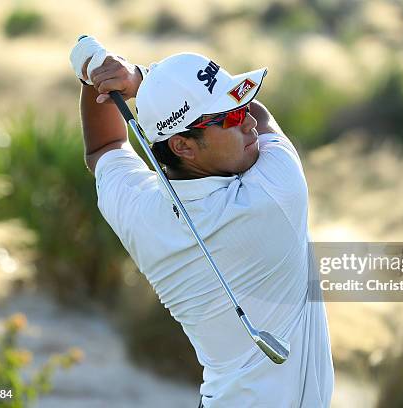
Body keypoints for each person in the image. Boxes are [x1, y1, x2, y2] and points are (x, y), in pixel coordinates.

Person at [69, 36, 334, 407]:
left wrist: (94, 82)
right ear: (183, 147)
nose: (248, 125)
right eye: (230, 117)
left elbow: (104, 149)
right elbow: (262, 114)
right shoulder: (277, 192)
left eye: (238, 107)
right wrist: (136, 80)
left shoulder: (142, 212)